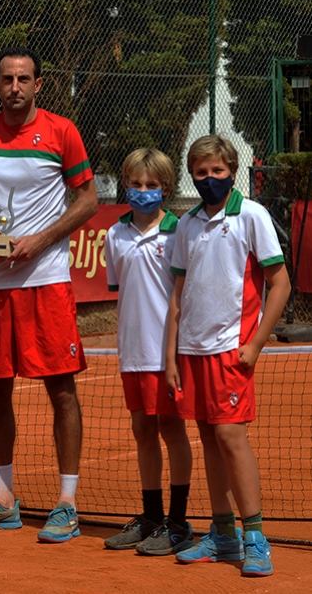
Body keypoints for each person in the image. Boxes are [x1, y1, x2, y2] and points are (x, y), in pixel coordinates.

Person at [0, 46, 98, 542]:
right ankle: (3, 498)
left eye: (24, 79)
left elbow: (89, 199)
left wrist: (39, 241)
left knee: (60, 389)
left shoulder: (62, 132)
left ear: (39, 84)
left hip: (46, 280)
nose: (15, 87)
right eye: (7, 79)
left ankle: (67, 503)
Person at [168, 135, 289, 577]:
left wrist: (255, 343)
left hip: (231, 351)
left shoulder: (252, 215)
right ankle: (222, 536)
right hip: (191, 352)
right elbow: (177, 297)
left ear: (232, 170)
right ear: (192, 175)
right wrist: (170, 358)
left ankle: (256, 538)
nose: (209, 179)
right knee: (210, 442)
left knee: (231, 440)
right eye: (201, 173)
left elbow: (281, 284)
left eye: (217, 171)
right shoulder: (186, 224)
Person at [102, 149, 194, 555]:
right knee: (142, 431)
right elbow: (120, 292)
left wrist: (175, 353)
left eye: (151, 186)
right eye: (136, 184)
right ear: (126, 183)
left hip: (168, 355)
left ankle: (177, 523)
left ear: (166, 189)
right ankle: (151, 517)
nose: (142, 192)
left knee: (171, 430)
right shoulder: (114, 235)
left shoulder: (180, 232)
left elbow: (183, 296)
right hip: (132, 352)